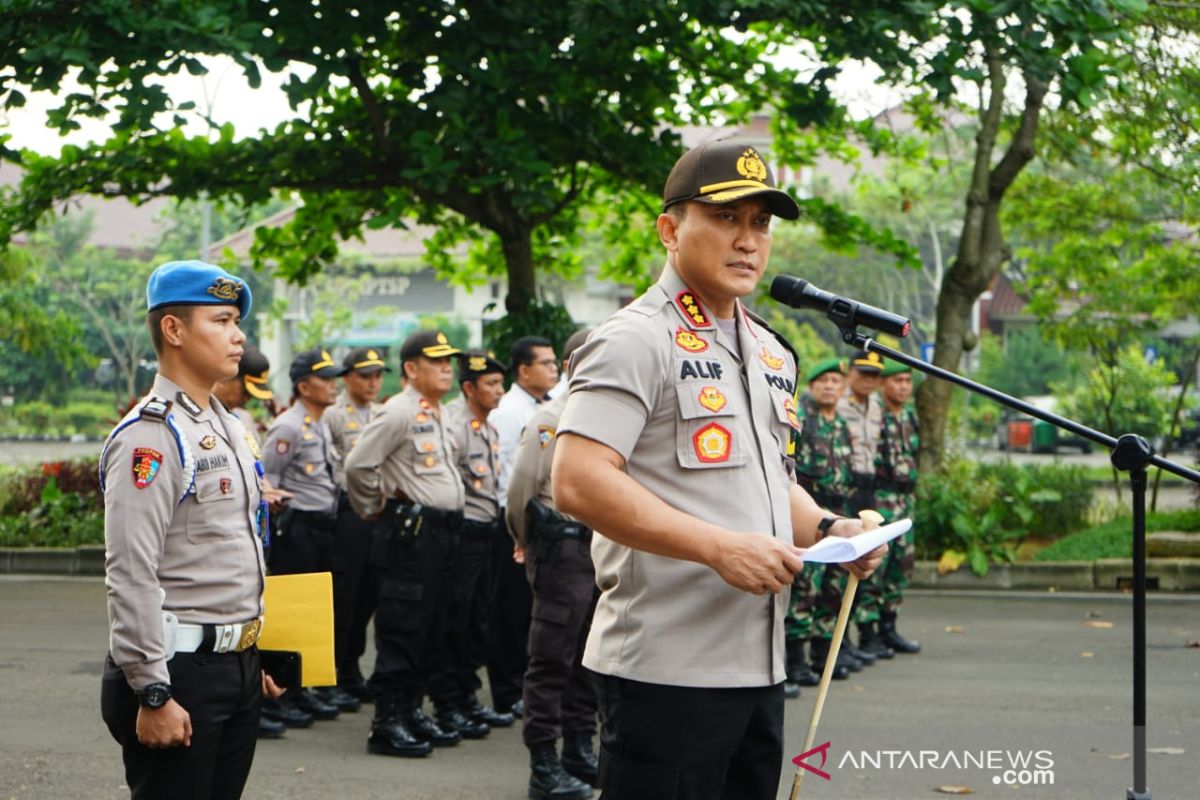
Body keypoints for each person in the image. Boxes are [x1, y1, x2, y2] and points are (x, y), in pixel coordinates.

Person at [551, 140, 884, 800]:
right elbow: (578, 478)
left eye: (760, 223)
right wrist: (718, 548)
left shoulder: (766, 349)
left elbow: (765, 478)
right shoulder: (633, 339)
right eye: (726, 218)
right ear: (671, 230)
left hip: (755, 662)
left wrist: (828, 529)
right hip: (665, 670)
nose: (748, 241)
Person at [99, 259, 284, 799]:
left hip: (236, 665)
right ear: (174, 330)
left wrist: (258, 648)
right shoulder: (151, 437)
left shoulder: (229, 425)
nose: (238, 335)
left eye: (237, 321)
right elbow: (130, 570)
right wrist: (151, 690)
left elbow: (240, 547)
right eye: (222, 321)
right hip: (178, 671)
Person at [344, 329, 466, 758]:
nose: (447, 367)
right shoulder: (398, 412)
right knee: (404, 625)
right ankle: (387, 721)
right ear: (411, 369)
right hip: (411, 535)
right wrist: (372, 508)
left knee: (432, 626)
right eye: (436, 361)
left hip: (443, 532)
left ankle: (411, 708)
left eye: (449, 360)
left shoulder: (440, 412)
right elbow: (358, 465)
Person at [507, 329, 596, 800]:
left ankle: (578, 751)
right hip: (560, 551)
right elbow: (521, 493)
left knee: (587, 659)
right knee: (551, 660)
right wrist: (526, 542)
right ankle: (543, 764)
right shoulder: (551, 419)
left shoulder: (606, 417)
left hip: (595, 552)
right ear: (570, 366)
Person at [260, 349, 359, 719]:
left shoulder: (319, 422)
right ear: (304, 386)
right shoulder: (288, 426)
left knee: (312, 611)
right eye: (326, 379)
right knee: (290, 611)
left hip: (322, 527)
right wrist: (274, 499)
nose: (333, 386)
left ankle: (300, 690)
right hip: (297, 526)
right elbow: (266, 477)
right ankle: (279, 695)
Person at [431, 350, 513, 739]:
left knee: (478, 618)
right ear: (469, 388)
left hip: (487, 532)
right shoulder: (455, 426)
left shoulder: (487, 426)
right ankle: (447, 703)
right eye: (491, 384)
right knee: (455, 619)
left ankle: (467, 697)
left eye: (501, 383)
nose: (499, 391)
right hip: (462, 533)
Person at [211, 344, 288, 739]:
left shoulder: (235, 421)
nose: (245, 398)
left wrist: (266, 492)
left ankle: (254, 695)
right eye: (243, 387)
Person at [487, 335, 560, 718]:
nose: (554, 369)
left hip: (545, 522)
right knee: (510, 609)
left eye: (554, 362)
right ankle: (505, 689)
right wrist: (517, 528)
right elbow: (507, 476)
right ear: (523, 370)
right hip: (513, 517)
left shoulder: (550, 405)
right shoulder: (509, 411)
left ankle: (522, 685)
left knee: (534, 608)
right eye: (545, 363)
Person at [323, 347, 389, 702]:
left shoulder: (383, 413)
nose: (373, 382)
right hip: (348, 512)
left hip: (378, 513)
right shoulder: (333, 416)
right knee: (344, 595)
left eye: (378, 375)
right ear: (346, 378)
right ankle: (330, 671)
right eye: (365, 375)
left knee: (368, 594)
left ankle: (350, 668)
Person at [794, 358, 859, 681]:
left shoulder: (842, 426)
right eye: (824, 381)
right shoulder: (801, 421)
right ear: (812, 387)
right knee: (805, 587)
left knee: (832, 587)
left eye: (836, 381)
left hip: (839, 512)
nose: (830, 386)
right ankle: (794, 660)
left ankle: (822, 655)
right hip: (810, 514)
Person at [857, 359, 921, 656]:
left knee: (900, 567)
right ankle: (868, 634)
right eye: (897, 381)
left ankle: (889, 627)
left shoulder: (909, 417)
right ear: (884, 385)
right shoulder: (875, 416)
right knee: (876, 566)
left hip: (905, 500)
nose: (903, 387)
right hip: (881, 497)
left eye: (907, 381)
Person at [213, 344, 274, 445]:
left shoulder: (244, 420)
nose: (246, 399)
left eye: (251, 396)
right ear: (225, 377)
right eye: (245, 392)